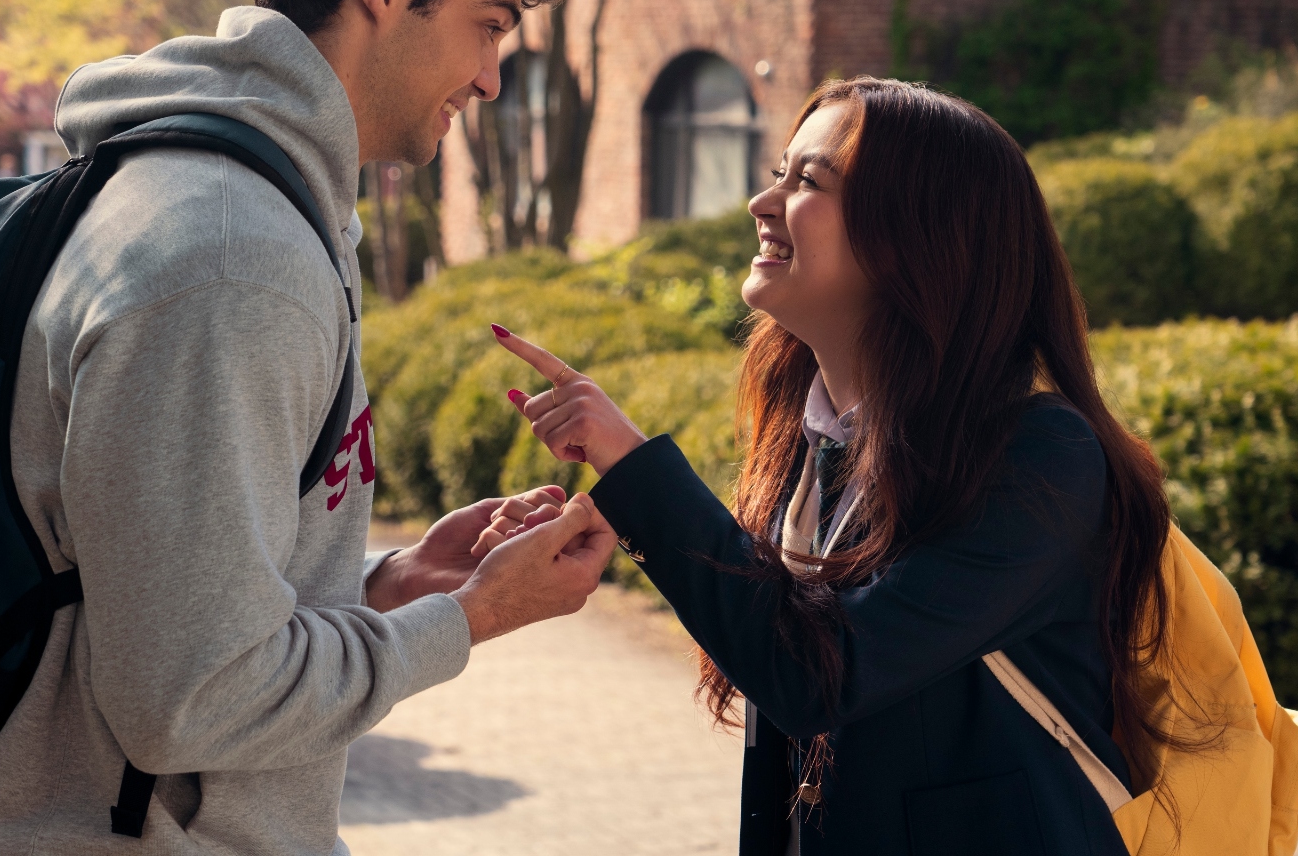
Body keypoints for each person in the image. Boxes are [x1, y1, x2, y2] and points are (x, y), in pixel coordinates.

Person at [0, 0, 615, 854]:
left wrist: (382, 586)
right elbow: (193, 700)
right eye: (487, 22)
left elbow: (167, 598)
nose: (489, 77)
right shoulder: (230, 254)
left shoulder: (221, 201)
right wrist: (467, 617)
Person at [484, 77, 1191, 855]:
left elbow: (822, 675)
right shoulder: (811, 445)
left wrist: (639, 472)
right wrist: (620, 511)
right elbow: (771, 650)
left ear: (920, 237)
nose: (763, 201)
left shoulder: (1040, 457)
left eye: (808, 180)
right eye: (780, 171)